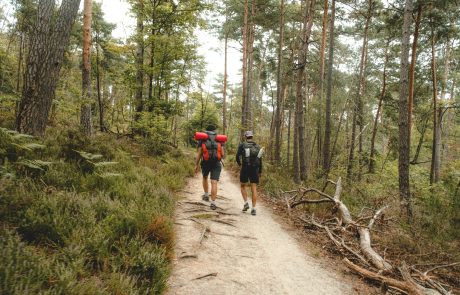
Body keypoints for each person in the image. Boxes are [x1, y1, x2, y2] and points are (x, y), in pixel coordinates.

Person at [194, 124, 225, 210]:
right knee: (214, 182)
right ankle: (213, 203)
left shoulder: (203, 138)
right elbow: (222, 154)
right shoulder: (219, 139)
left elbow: (199, 153)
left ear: (206, 130)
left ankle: (206, 195)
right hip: (216, 163)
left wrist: (196, 164)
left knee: (205, 177)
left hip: (206, 162)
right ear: (215, 130)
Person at [236, 130, 262, 216]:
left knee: (243, 186)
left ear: (245, 137)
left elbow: (237, 156)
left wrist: (240, 165)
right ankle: (254, 209)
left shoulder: (242, 145)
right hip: (255, 169)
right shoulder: (257, 146)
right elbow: (260, 159)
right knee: (254, 188)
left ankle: (246, 203)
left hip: (245, 168)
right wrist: (260, 171)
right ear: (252, 136)